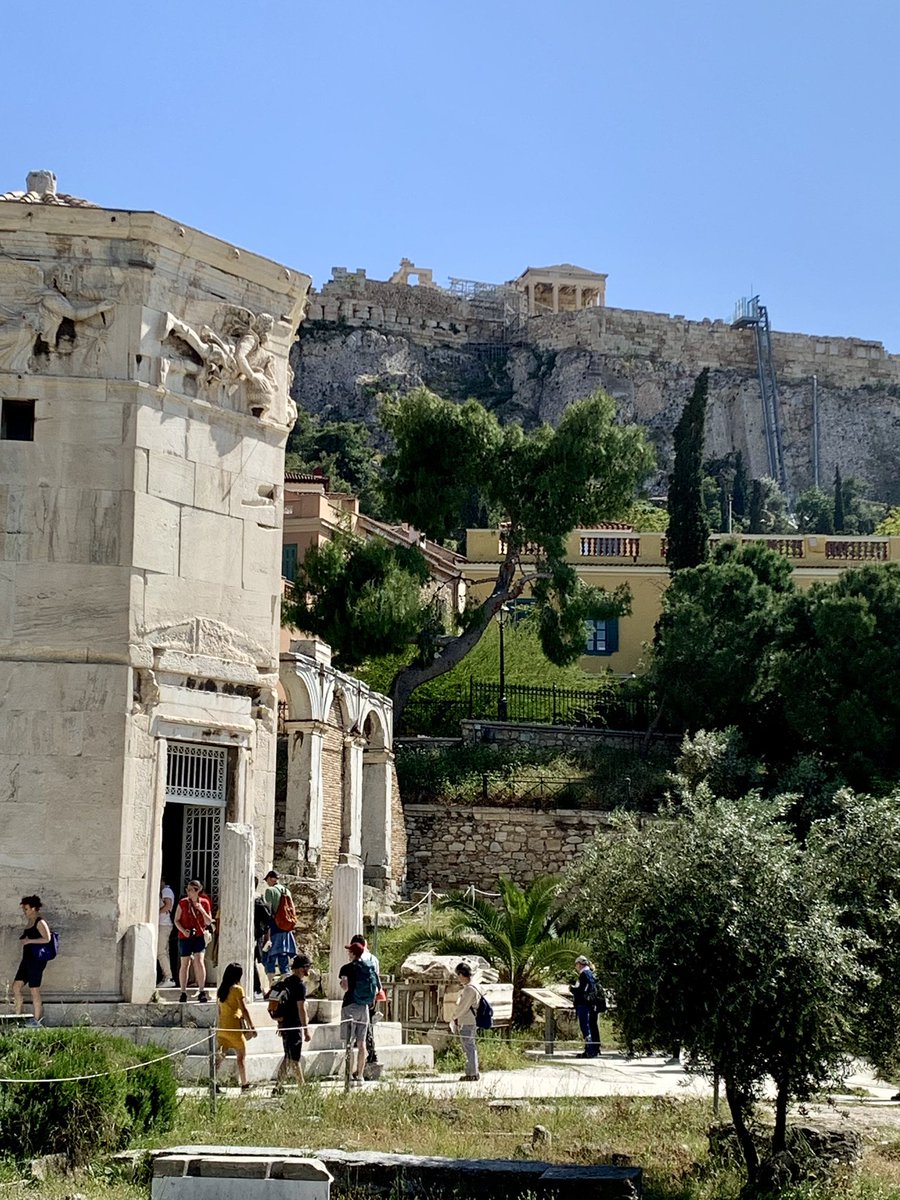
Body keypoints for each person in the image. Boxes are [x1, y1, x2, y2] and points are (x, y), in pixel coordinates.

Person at [272, 954, 312, 1092]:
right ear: (302, 969)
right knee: (294, 1058)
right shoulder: (299, 986)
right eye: (308, 967)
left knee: (289, 1056)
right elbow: (301, 1008)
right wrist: (306, 1029)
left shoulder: (286, 981)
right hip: (294, 1025)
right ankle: (302, 1087)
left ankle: (278, 1086)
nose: (309, 970)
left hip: (284, 1024)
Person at [338, 941, 376, 1086]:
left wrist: (342, 984)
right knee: (362, 1044)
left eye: (349, 951)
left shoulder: (346, 968)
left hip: (349, 1006)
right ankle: (360, 1076)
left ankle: (348, 1076)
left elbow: (345, 987)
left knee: (349, 1043)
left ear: (353, 953)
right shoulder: (368, 967)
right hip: (363, 1008)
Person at [215, 962, 257, 1090]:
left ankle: (213, 1081)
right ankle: (244, 1084)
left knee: (220, 1057)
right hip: (235, 1028)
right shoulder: (237, 989)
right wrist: (252, 1026)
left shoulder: (221, 990)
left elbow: (219, 1010)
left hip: (222, 1027)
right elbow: (243, 1009)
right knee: (241, 1057)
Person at [13, 895, 53, 1027]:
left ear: (33, 908)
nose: (24, 911)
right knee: (16, 986)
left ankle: (37, 1021)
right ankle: (18, 1016)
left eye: (26, 909)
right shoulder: (30, 921)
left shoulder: (40, 922)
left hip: (36, 960)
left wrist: (29, 941)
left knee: (34, 989)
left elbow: (47, 939)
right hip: (27, 960)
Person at [174, 879, 213, 1003]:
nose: (188, 892)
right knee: (185, 963)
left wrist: (201, 909)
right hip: (185, 936)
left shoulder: (205, 903)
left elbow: (208, 921)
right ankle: (183, 991)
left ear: (198, 891)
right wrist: (183, 930)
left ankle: (201, 990)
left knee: (199, 961)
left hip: (199, 935)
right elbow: (176, 920)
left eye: (191, 890)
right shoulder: (183, 903)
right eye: (188, 890)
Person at [348, 933, 382, 1067]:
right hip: (371, 996)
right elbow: (377, 979)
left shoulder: (357, 959)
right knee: (368, 1026)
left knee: (362, 1029)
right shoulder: (373, 959)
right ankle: (371, 1053)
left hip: (357, 998)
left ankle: (370, 1055)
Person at [262, 870, 296, 981]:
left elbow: (268, 910)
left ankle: (270, 984)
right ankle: (285, 981)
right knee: (283, 956)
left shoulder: (270, 890)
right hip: (286, 927)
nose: (267, 882)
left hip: (274, 926)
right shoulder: (287, 890)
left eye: (267, 880)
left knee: (270, 957)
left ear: (271, 879)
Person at [449, 963, 480, 1082]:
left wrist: (453, 1017)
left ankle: (472, 1073)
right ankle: (474, 1071)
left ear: (462, 974)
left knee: (469, 1047)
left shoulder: (470, 989)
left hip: (467, 1020)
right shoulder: (475, 986)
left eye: (458, 975)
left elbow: (463, 1007)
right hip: (471, 1019)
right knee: (470, 1046)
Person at [569, 954, 601, 1058]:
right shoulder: (589, 974)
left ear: (579, 964)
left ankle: (590, 1050)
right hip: (588, 1004)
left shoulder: (585, 974)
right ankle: (592, 1049)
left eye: (576, 965)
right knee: (589, 1026)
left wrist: (573, 990)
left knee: (586, 1027)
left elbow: (584, 990)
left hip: (584, 1004)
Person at [157, 877, 176, 988]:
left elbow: (168, 905)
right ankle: (167, 976)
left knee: (160, 952)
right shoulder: (164, 891)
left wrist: (156, 912)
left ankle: (169, 977)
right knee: (164, 951)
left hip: (164, 924)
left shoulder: (166, 891)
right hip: (164, 925)